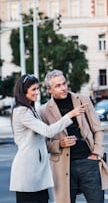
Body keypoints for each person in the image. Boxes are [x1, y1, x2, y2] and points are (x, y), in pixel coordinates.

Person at [9, 74, 87, 203]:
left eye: (37, 88)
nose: (37, 92)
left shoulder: (30, 110)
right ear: (23, 92)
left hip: (36, 170)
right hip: (28, 170)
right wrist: (70, 115)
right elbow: (48, 131)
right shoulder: (22, 112)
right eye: (33, 89)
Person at [39, 69, 108, 203]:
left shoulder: (82, 100)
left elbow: (98, 129)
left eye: (64, 84)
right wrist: (59, 144)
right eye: (58, 86)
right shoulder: (43, 111)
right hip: (62, 166)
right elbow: (42, 143)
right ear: (49, 90)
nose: (63, 88)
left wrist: (96, 154)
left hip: (88, 161)